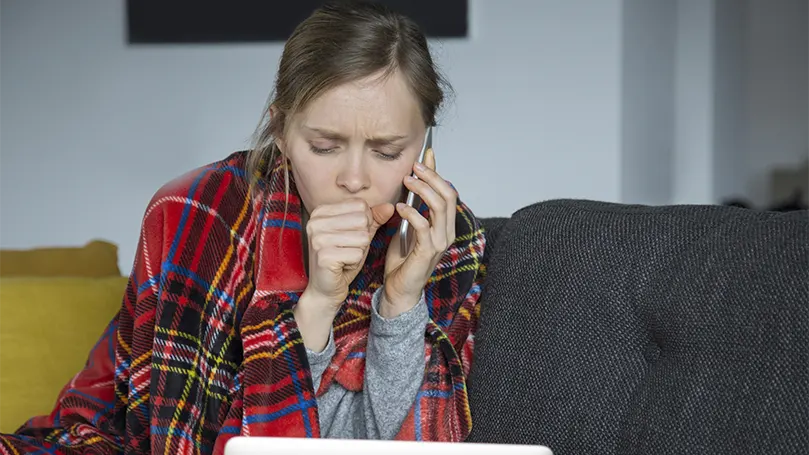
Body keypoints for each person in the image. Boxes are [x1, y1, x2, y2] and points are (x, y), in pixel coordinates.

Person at [0, 1, 487, 454]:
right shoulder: (195, 214)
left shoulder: (446, 237)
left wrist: (400, 304)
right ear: (281, 133)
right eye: (323, 146)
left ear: (426, 144)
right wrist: (317, 306)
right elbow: (193, 443)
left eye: (386, 152)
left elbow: (407, 447)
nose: (354, 180)